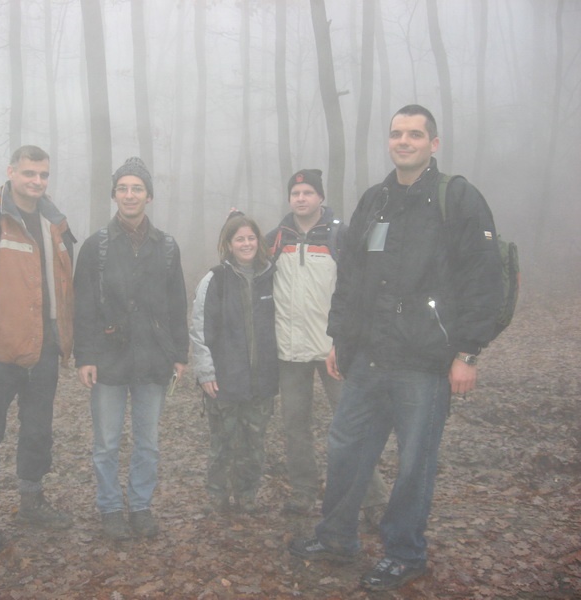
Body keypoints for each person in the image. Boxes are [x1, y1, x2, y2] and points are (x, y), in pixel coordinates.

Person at [288, 105, 503, 592]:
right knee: (346, 448)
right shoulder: (376, 200)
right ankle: (337, 536)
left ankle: (404, 552)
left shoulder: (457, 198)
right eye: (396, 134)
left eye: (414, 134)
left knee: (413, 464)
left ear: (433, 143)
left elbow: (484, 277)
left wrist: (468, 352)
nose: (403, 141)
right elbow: (350, 276)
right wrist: (340, 339)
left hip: (425, 362)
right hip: (369, 356)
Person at [0, 145, 76, 549]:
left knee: (39, 429)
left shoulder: (53, 221)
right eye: (29, 173)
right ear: (11, 172)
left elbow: (64, 285)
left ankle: (31, 498)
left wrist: (65, 340)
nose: (37, 181)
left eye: (43, 175)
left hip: (44, 348)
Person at [73, 157, 188, 540]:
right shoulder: (96, 247)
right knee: (106, 443)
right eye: (122, 188)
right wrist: (85, 357)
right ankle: (109, 508)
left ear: (148, 196)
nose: (129, 195)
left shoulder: (166, 247)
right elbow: (84, 306)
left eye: (137, 188)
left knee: (148, 442)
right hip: (108, 358)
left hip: (153, 358)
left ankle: (140, 506)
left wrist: (180, 354)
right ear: (114, 195)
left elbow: (177, 304)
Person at [266, 169, 388, 522]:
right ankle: (303, 493)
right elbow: (244, 260)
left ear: (320, 197)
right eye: (295, 193)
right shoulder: (276, 238)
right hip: (290, 349)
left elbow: (359, 285)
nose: (301, 198)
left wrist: (351, 337)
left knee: (352, 425)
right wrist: (235, 223)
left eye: (308, 192)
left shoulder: (341, 236)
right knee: (295, 426)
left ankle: (373, 500)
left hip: (335, 348)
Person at [190, 212, 278, 515]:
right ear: (229, 244)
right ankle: (218, 497)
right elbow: (200, 329)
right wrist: (205, 372)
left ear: (259, 241)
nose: (246, 243)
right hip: (225, 379)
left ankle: (247, 495)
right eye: (239, 239)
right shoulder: (215, 279)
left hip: (262, 379)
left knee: (254, 444)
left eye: (251, 238)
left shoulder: (272, 277)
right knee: (223, 444)